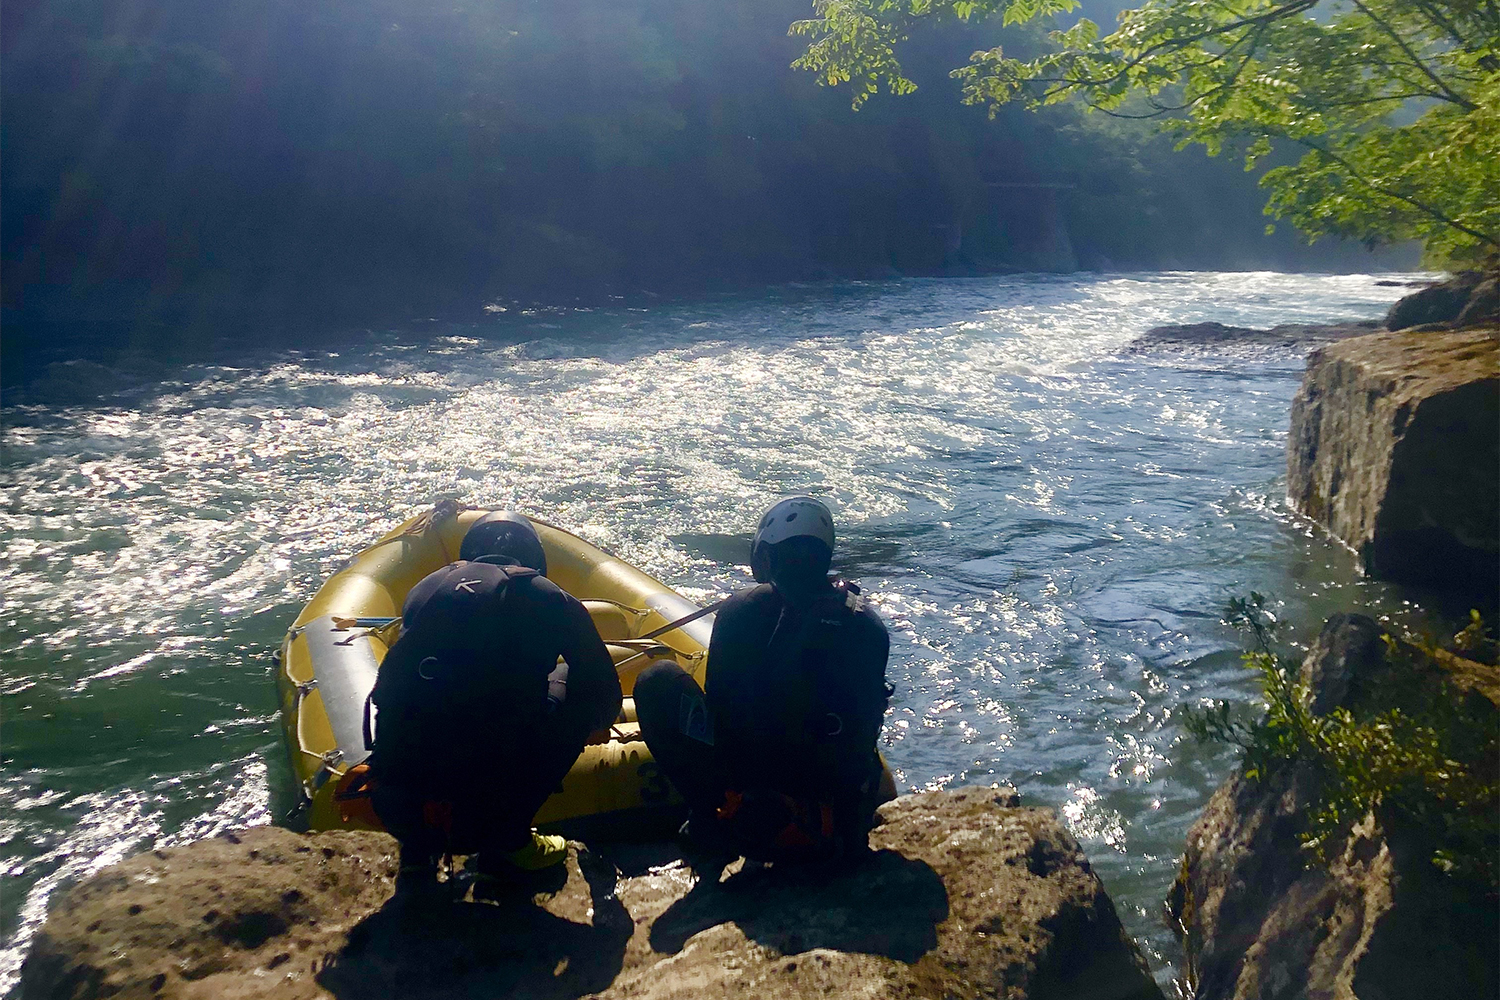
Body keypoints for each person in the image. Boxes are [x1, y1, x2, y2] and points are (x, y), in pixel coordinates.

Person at [365, 511, 622, 888]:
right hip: (481, 811)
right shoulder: (549, 597)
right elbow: (606, 694)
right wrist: (594, 722)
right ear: (533, 557)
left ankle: (417, 854)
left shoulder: (427, 587)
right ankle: (510, 840)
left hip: (396, 805)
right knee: (571, 684)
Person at [633, 496, 891, 864]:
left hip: (760, 822)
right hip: (840, 822)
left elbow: (722, 713)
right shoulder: (868, 622)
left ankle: (707, 824)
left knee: (658, 679)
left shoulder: (743, 609)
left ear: (769, 556)